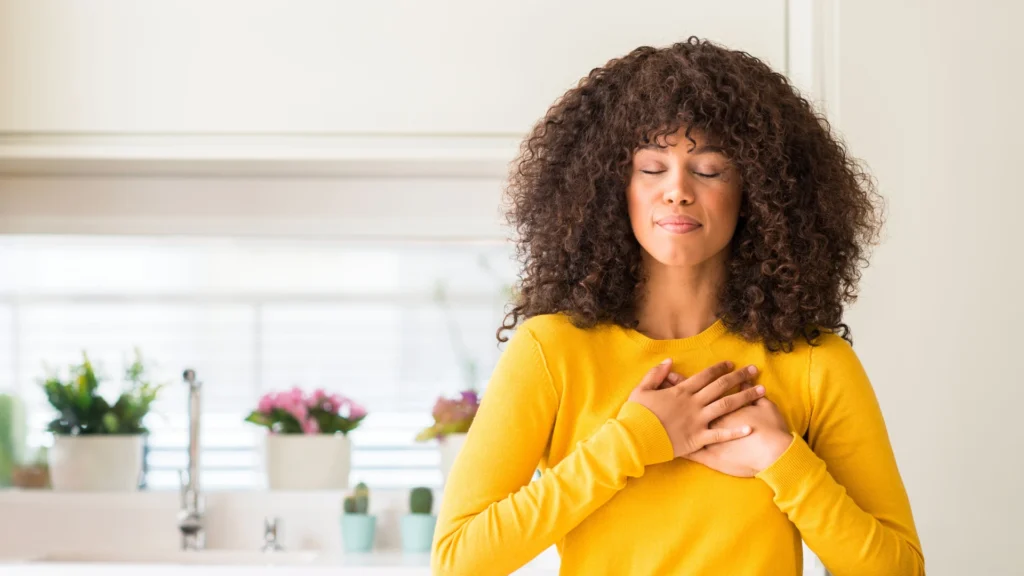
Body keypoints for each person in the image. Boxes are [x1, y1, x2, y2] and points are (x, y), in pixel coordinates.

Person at [431, 37, 924, 576]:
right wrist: (633, 441)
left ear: (756, 191)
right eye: (651, 168)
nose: (677, 191)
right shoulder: (551, 351)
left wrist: (783, 462)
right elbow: (459, 560)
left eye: (709, 170)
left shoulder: (814, 363)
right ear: (612, 187)